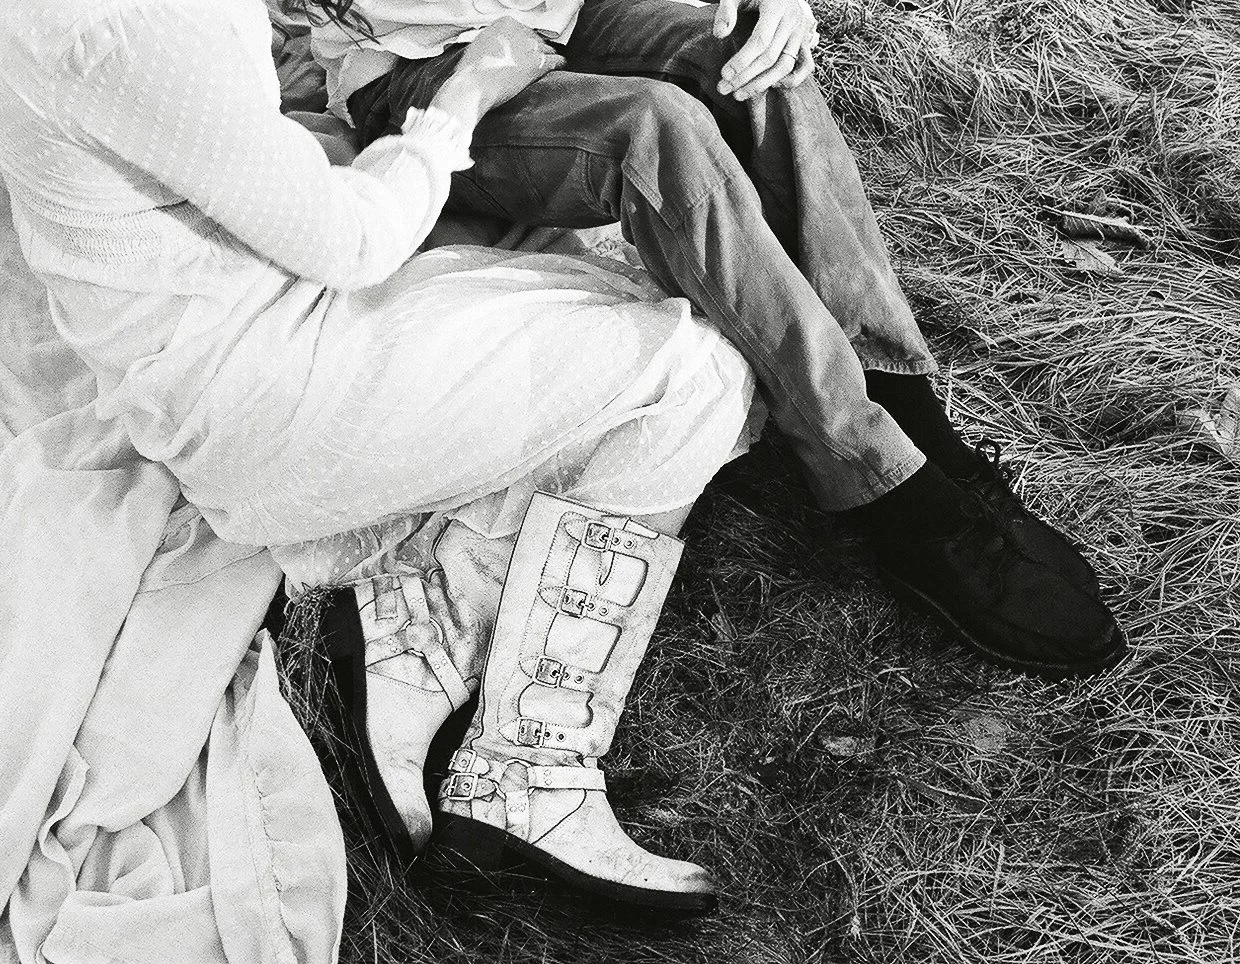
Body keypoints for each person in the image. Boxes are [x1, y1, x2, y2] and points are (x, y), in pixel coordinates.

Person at [0, 0, 760, 913]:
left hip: (226, 335)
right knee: (700, 372)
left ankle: (421, 633)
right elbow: (353, 241)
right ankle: (529, 770)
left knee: (594, 288)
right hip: (263, 390)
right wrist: (468, 90)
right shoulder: (132, 28)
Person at [304, 0, 1128, 687]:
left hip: (564, 13)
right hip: (427, 66)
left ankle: (907, 408)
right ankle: (883, 483)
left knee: (753, 61)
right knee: (657, 125)